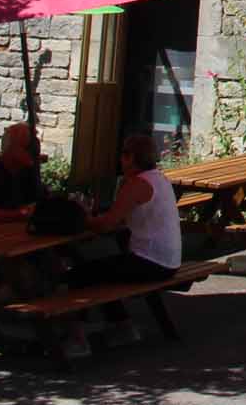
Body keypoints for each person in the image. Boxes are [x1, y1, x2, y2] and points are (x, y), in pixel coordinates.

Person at [62, 132, 181, 358]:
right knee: (105, 267)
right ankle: (121, 324)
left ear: (130, 158)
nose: (121, 161)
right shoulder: (160, 178)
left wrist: (82, 216)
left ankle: (77, 339)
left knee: (80, 274)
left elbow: (107, 224)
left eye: (123, 156)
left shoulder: (137, 184)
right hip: (169, 260)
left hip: (152, 262)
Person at [0, 123, 44, 224]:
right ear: (11, 149)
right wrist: (23, 213)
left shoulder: (27, 173)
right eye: (28, 148)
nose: (35, 153)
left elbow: (37, 207)